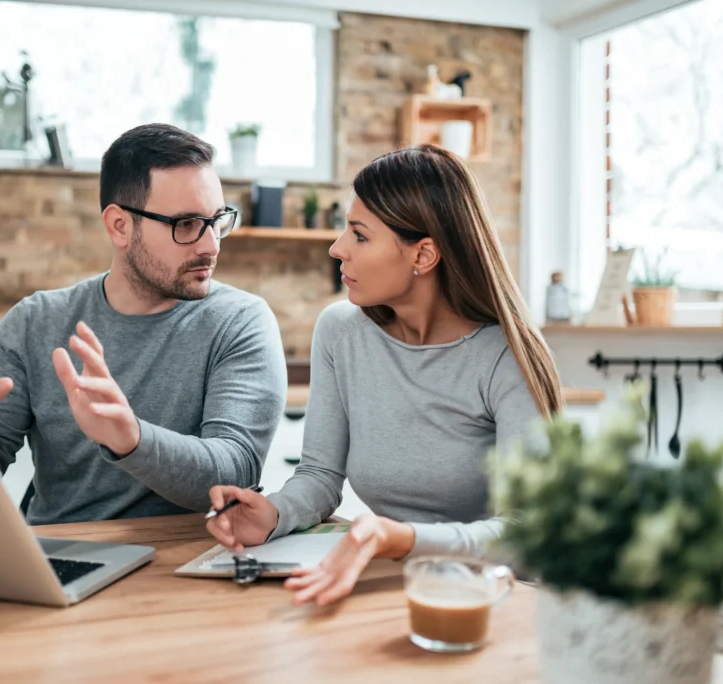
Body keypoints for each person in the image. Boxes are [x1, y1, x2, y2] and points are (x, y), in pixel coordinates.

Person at [0, 123, 287, 524]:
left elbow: (236, 472)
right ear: (120, 226)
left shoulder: (240, 322)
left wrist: (132, 438)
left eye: (217, 220)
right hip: (61, 556)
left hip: (183, 568)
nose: (211, 244)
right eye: (188, 224)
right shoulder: (34, 324)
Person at [206, 144, 561, 605]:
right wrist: (273, 514)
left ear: (423, 255)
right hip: (392, 584)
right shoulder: (341, 332)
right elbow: (319, 475)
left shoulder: (504, 357)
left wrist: (401, 539)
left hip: (495, 598)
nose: (337, 249)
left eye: (359, 235)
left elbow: (525, 532)